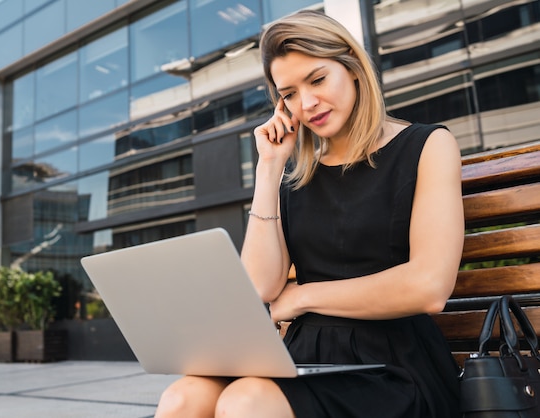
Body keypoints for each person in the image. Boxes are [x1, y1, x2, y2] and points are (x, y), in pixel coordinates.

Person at [154, 9, 464, 418]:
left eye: (317, 80)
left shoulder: (427, 145)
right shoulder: (294, 177)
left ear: (352, 68)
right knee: (184, 397)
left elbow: (429, 287)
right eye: (289, 94)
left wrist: (303, 297)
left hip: (394, 364)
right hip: (304, 357)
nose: (308, 103)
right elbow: (261, 288)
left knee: (246, 402)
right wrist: (269, 169)